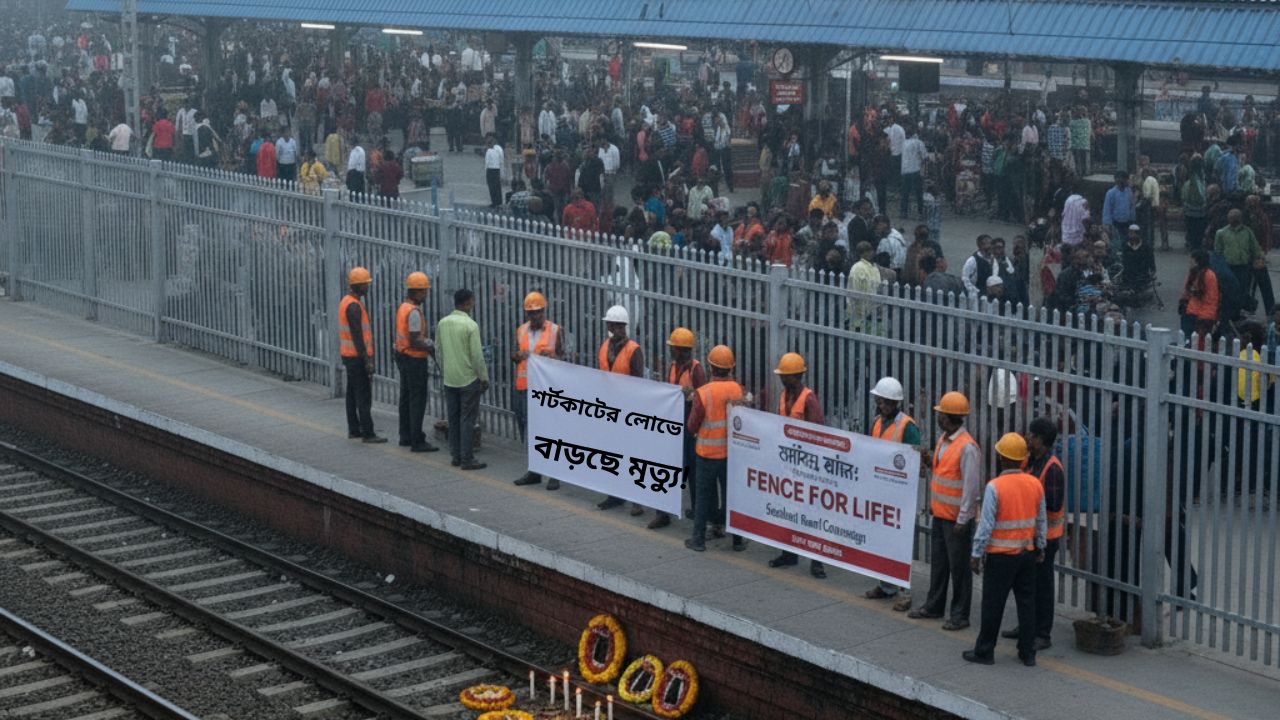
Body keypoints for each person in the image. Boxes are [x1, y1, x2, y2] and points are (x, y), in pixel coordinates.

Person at [964, 432, 1046, 667]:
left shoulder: (995, 487)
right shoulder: (1034, 484)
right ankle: (1028, 653)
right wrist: (1040, 546)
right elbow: (1041, 520)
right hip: (1026, 554)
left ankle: (985, 651)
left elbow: (986, 523)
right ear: (1021, 459)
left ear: (1002, 458)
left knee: (993, 604)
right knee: (1027, 605)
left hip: (1000, 557)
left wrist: (976, 553)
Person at [908, 391, 981, 630]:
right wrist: (929, 461)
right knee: (939, 564)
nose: (938, 417)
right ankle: (934, 605)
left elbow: (971, 488)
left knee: (959, 570)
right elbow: (943, 473)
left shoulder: (967, 447)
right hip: (940, 515)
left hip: (955, 520)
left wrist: (963, 519)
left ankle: (960, 615)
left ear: (949, 418)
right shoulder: (944, 440)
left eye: (941, 414)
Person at [1001, 417, 1064, 650]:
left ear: (1041, 440)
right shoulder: (1028, 462)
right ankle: (1027, 626)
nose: (1027, 438)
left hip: (1046, 538)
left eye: (1032, 435)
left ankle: (1042, 634)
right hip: (1029, 536)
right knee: (1026, 585)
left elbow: (1054, 504)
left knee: (1043, 587)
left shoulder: (1053, 468)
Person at [861, 376, 923, 607]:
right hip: (881, 490)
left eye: (885, 402)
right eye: (880, 401)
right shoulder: (878, 422)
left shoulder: (907, 426)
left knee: (901, 543)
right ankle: (886, 586)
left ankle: (904, 592)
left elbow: (914, 460)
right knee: (883, 540)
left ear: (895, 403)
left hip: (900, 495)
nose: (881, 406)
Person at [766, 353, 827, 578]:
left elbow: (819, 432)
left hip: (807, 465)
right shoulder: (784, 395)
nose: (782, 380)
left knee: (812, 513)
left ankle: (817, 562)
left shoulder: (809, 399)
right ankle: (789, 553)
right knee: (787, 511)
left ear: (796, 376)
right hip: (787, 463)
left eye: (785, 376)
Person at [685, 344, 746, 552]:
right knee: (733, 498)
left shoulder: (703, 393)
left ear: (711, 367)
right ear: (730, 368)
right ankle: (737, 541)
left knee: (703, 499)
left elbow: (692, 425)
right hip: (731, 455)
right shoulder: (738, 390)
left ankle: (698, 540)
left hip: (706, 455)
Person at [649, 327, 707, 529]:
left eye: (674, 348)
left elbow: (702, 399)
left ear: (682, 349)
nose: (671, 350)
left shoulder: (696, 370)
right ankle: (663, 512)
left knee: (692, 472)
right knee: (668, 468)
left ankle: (697, 512)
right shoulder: (673, 366)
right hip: (674, 424)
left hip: (690, 427)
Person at [513, 292, 565, 489]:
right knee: (529, 430)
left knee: (550, 431)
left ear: (544, 311)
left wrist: (550, 356)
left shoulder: (555, 330)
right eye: (530, 313)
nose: (534, 317)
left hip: (547, 390)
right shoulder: (521, 330)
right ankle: (534, 471)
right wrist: (517, 356)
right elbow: (514, 355)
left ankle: (554, 474)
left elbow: (565, 359)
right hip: (525, 387)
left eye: (537, 313)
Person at [597, 305, 646, 513]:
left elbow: (639, 383)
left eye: (615, 326)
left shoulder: (634, 350)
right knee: (611, 454)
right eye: (610, 325)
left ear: (623, 327)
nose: (612, 329)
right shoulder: (605, 346)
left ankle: (637, 500)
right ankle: (614, 494)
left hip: (628, 411)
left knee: (632, 456)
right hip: (610, 409)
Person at [437, 289, 489, 470]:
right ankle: (467, 458)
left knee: (453, 417)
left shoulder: (443, 323)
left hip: (450, 378)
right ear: (467, 303)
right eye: (472, 302)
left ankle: (456, 455)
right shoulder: (470, 325)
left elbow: (439, 350)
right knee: (467, 419)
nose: (473, 305)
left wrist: (445, 369)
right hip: (468, 379)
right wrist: (483, 377)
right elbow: (477, 356)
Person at [339, 267, 385, 443]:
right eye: (365, 285)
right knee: (363, 396)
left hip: (349, 356)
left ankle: (354, 430)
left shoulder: (347, 301)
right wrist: (367, 360)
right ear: (358, 286)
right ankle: (368, 433)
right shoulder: (353, 306)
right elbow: (357, 335)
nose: (368, 287)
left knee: (352, 394)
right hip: (357, 358)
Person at [395, 272, 437, 453]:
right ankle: (417, 440)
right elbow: (414, 340)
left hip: (402, 356)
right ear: (417, 292)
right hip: (413, 359)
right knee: (417, 400)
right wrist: (430, 345)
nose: (426, 295)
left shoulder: (403, 307)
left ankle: (405, 436)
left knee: (405, 398)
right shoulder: (413, 312)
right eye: (424, 291)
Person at [1215, 209, 1270, 315]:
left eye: (1236, 217)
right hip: (1228, 267)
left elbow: (1255, 248)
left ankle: (1238, 311)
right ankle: (1230, 311)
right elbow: (1218, 251)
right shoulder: (1221, 233)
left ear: (1240, 219)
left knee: (1243, 290)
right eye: (1231, 217)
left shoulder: (1247, 232)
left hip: (1244, 267)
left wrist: (1260, 258)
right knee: (1230, 290)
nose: (1233, 219)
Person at [1180, 249, 1219, 341]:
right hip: (1193, 312)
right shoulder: (1196, 274)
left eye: (1192, 260)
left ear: (1197, 262)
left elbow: (1210, 298)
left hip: (1201, 315)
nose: (1190, 263)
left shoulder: (1207, 276)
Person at [1101, 171, 1135, 249]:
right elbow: (1107, 209)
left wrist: (1132, 219)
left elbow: (1131, 206)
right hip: (1115, 224)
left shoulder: (1128, 191)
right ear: (1120, 180)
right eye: (1126, 180)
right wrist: (1107, 224)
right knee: (1117, 244)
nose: (1128, 182)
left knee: (1127, 243)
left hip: (1127, 223)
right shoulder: (1111, 193)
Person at [900, 126, 927, 218]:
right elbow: (925, 157)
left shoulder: (904, 143)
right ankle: (920, 212)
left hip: (905, 171)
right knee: (918, 192)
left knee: (905, 193)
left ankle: (903, 212)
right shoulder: (919, 143)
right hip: (915, 170)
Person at [484, 133, 505, 209]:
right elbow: (486, 162)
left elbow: (501, 162)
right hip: (490, 170)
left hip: (496, 169)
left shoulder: (498, 149)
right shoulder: (488, 150)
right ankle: (494, 202)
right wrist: (486, 171)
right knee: (491, 187)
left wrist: (502, 173)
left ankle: (498, 202)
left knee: (496, 186)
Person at [346, 135, 367, 200]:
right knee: (357, 193)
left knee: (354, 193)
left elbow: (353, 164)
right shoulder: (358, 150)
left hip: (355, 174)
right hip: (358, 173)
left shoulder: (357, 150)